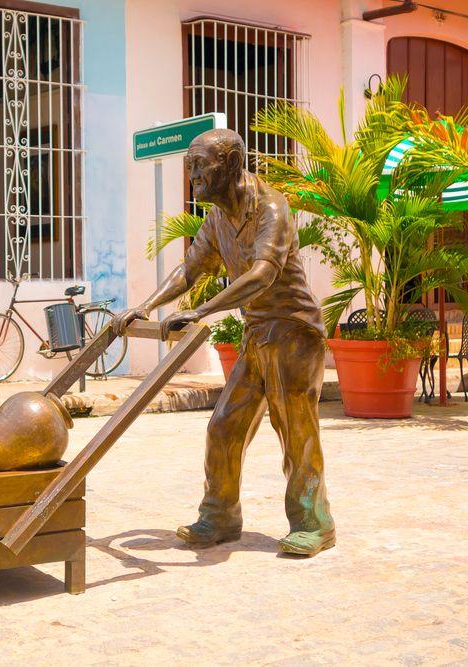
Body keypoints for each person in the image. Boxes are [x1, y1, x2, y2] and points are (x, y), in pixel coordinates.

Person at [111, 129, 335, 556]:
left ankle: (314, 522)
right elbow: (190, 270)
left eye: (199, 165)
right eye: (189, 165)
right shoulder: (217, 218)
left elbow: (263, 274)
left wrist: (200, 311)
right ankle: (220, 515)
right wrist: (145, 305)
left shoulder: (272, 207)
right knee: (224, 426)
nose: (191, 174)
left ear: (231, 165)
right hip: (258, 333)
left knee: (296, 430)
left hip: (294, 331)